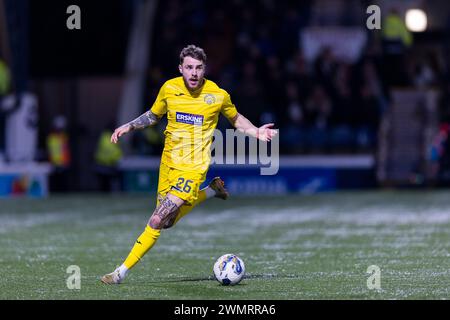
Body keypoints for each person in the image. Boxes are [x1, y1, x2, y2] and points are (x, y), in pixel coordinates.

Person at [101, 44, 277, 284]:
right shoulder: (169, 89)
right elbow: (153, 115)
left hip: (194, 168)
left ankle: (120, 272)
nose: (194, 73)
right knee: (168, 222)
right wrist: (128, 126)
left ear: (205, 69)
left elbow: (235, 119)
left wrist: (256, 131)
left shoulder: (217, 95)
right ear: (181, 68)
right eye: (189, 68)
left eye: (199, 68)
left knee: (156, 220)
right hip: (168, 165)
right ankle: (211, 192)